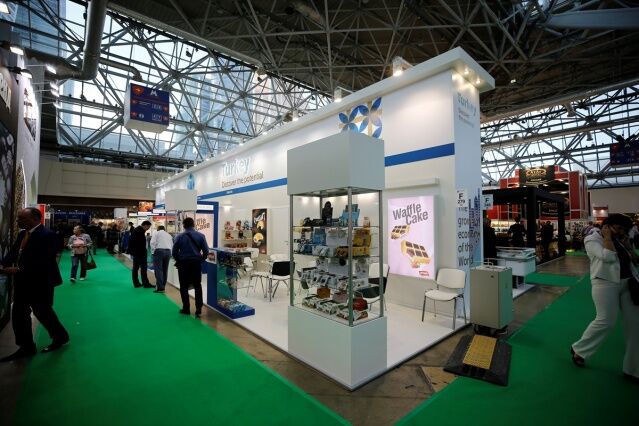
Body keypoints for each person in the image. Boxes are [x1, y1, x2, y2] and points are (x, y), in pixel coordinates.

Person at [571, 214, 639, 383]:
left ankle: (633, 370)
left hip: (628, 284)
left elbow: (634, 261)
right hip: (605, 283)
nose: (622, 232)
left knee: (635, 326)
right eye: (619, 228)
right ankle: (579, 349)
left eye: (624, 230)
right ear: (607, 226)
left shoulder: (620, 240)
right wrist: (608, 237)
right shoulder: (592, 239)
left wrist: (628, 247)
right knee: (606, 321)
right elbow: (607, 257)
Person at [0, 207, 70, 361]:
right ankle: (26, 346)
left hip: (41, 282)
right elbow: (13, 253)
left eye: (22, 218)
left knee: (43, 312)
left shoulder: (48, 235)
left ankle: (60, 337)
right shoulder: (22, 234)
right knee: (19, 314)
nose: (18, 221)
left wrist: (18, 269)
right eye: (18, 218)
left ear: (35, 219)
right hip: (23, 281)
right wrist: (3, 264)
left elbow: (44, 261)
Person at [172, 217, 209, 317]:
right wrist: (200, 260)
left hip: (183, 263)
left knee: (183, 286)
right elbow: (206, 252)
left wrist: (179, 260)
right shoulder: (201, 236)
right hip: (196, 263)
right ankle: (198, 309)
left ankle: (186, 308)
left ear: (183, 225)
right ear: (193, 224)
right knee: (197, 285)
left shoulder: (179, 236)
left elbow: (174, 252)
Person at [128, 220, 153, 288]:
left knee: (136, 268)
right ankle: (145, 283)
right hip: (140, 253)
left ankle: (136, 283)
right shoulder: (139, 231)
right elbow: (139, 244)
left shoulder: (137, 230)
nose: (148, 229)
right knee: (143, 268)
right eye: (148, 227)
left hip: (137, 252)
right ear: (145, 225)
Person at [150, 225, 173, 293]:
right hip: (168, 252)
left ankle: (160, 288)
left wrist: (153, 252)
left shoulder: (156, 233)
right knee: (165, 270)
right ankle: (163, 286)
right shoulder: (169, 235)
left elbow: (152, 243)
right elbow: (172, 245)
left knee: (158, 270)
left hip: (159, 251)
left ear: (158, 229)